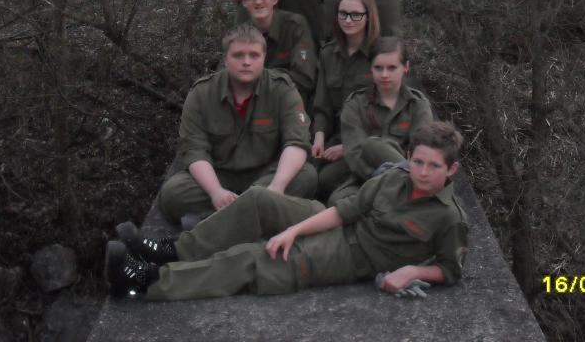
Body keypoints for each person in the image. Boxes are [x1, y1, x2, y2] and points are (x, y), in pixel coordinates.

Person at [105, 121, 468, 300]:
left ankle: (146, 281)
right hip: (339, 226)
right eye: (417, 161)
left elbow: (451, 269)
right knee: (259, 200)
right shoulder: (394, 179)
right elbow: (344, 211)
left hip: (351, 257)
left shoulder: (448, 217)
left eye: (434, 166)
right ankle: (173, 250)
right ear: (408, 157)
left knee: (255, 258)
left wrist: (412, 271)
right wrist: (294, 229)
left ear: (451, 169)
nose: (422, 172)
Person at [157, 24, 318, 224]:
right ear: (225, 59)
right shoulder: (201, 93)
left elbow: (297, 142)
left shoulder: (282, 89)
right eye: (238, 55)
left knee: (307, 176)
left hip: (266, 175)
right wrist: (216, 192)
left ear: (264, 57)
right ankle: (256, 215)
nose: (246, 62)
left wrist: (276, 187)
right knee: (173, 193)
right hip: (220, 176)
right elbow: (194, 150)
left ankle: (217, 221)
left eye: (254, 55)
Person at [327, 37, 434, 205]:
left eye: (392, 68)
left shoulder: (418, 105)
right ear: (371, 68)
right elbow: (354, 153)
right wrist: (378, 177)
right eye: (378, 68)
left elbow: (421, 152)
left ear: (405, 67)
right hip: (368, 176)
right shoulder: (355, 103)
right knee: (337, 201)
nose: (384, 75)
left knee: (374, 146)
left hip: (410, 179)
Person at [311, 0, 380, 200]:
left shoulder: (380, 56)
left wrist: (347, 147)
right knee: (305, 171)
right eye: (343, 14)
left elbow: (387, 114)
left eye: (356, 15)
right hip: (333, 137)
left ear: (369, 16)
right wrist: (319, 137)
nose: (348, 20)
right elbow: (322, 105)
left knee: (325, 180)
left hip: (367, 141)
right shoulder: (328, 54)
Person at [237, 0, 317, 106]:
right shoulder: (240, 34)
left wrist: (256, 77)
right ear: (244, 2)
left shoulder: (295, 27)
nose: (258, 1)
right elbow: (224, 75)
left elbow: (304, 78)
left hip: (286, 103)